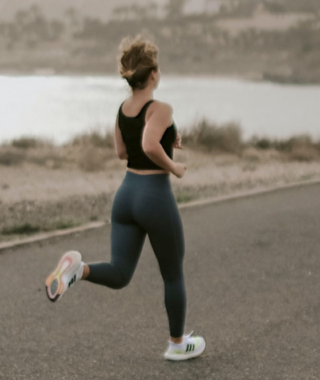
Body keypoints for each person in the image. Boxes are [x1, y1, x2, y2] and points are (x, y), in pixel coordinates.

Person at [44, 36, 205, 361]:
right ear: (154, 74)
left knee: (120, 273)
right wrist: (174, 166)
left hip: (126, 195)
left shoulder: (123, 109)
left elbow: (122, 151)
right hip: (154, 196)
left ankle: (79, 269)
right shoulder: (160, 108)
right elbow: (147, 145)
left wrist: (168, 141)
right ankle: (177, 344)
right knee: (173, 273)